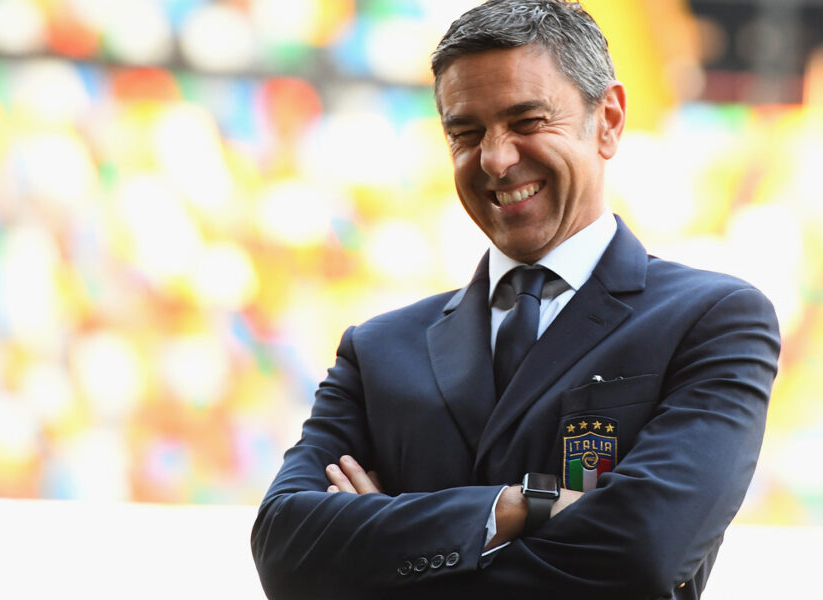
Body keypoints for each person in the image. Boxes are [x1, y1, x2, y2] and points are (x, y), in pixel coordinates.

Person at [251, 1, 780, 598]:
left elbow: (644, 549)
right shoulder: (376, 350)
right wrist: (518, 507)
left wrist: (387, 549)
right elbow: (284, 547)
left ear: (607, 120)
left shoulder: (712, 321)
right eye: (466, 133)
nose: (496, 159)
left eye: (527, 121)